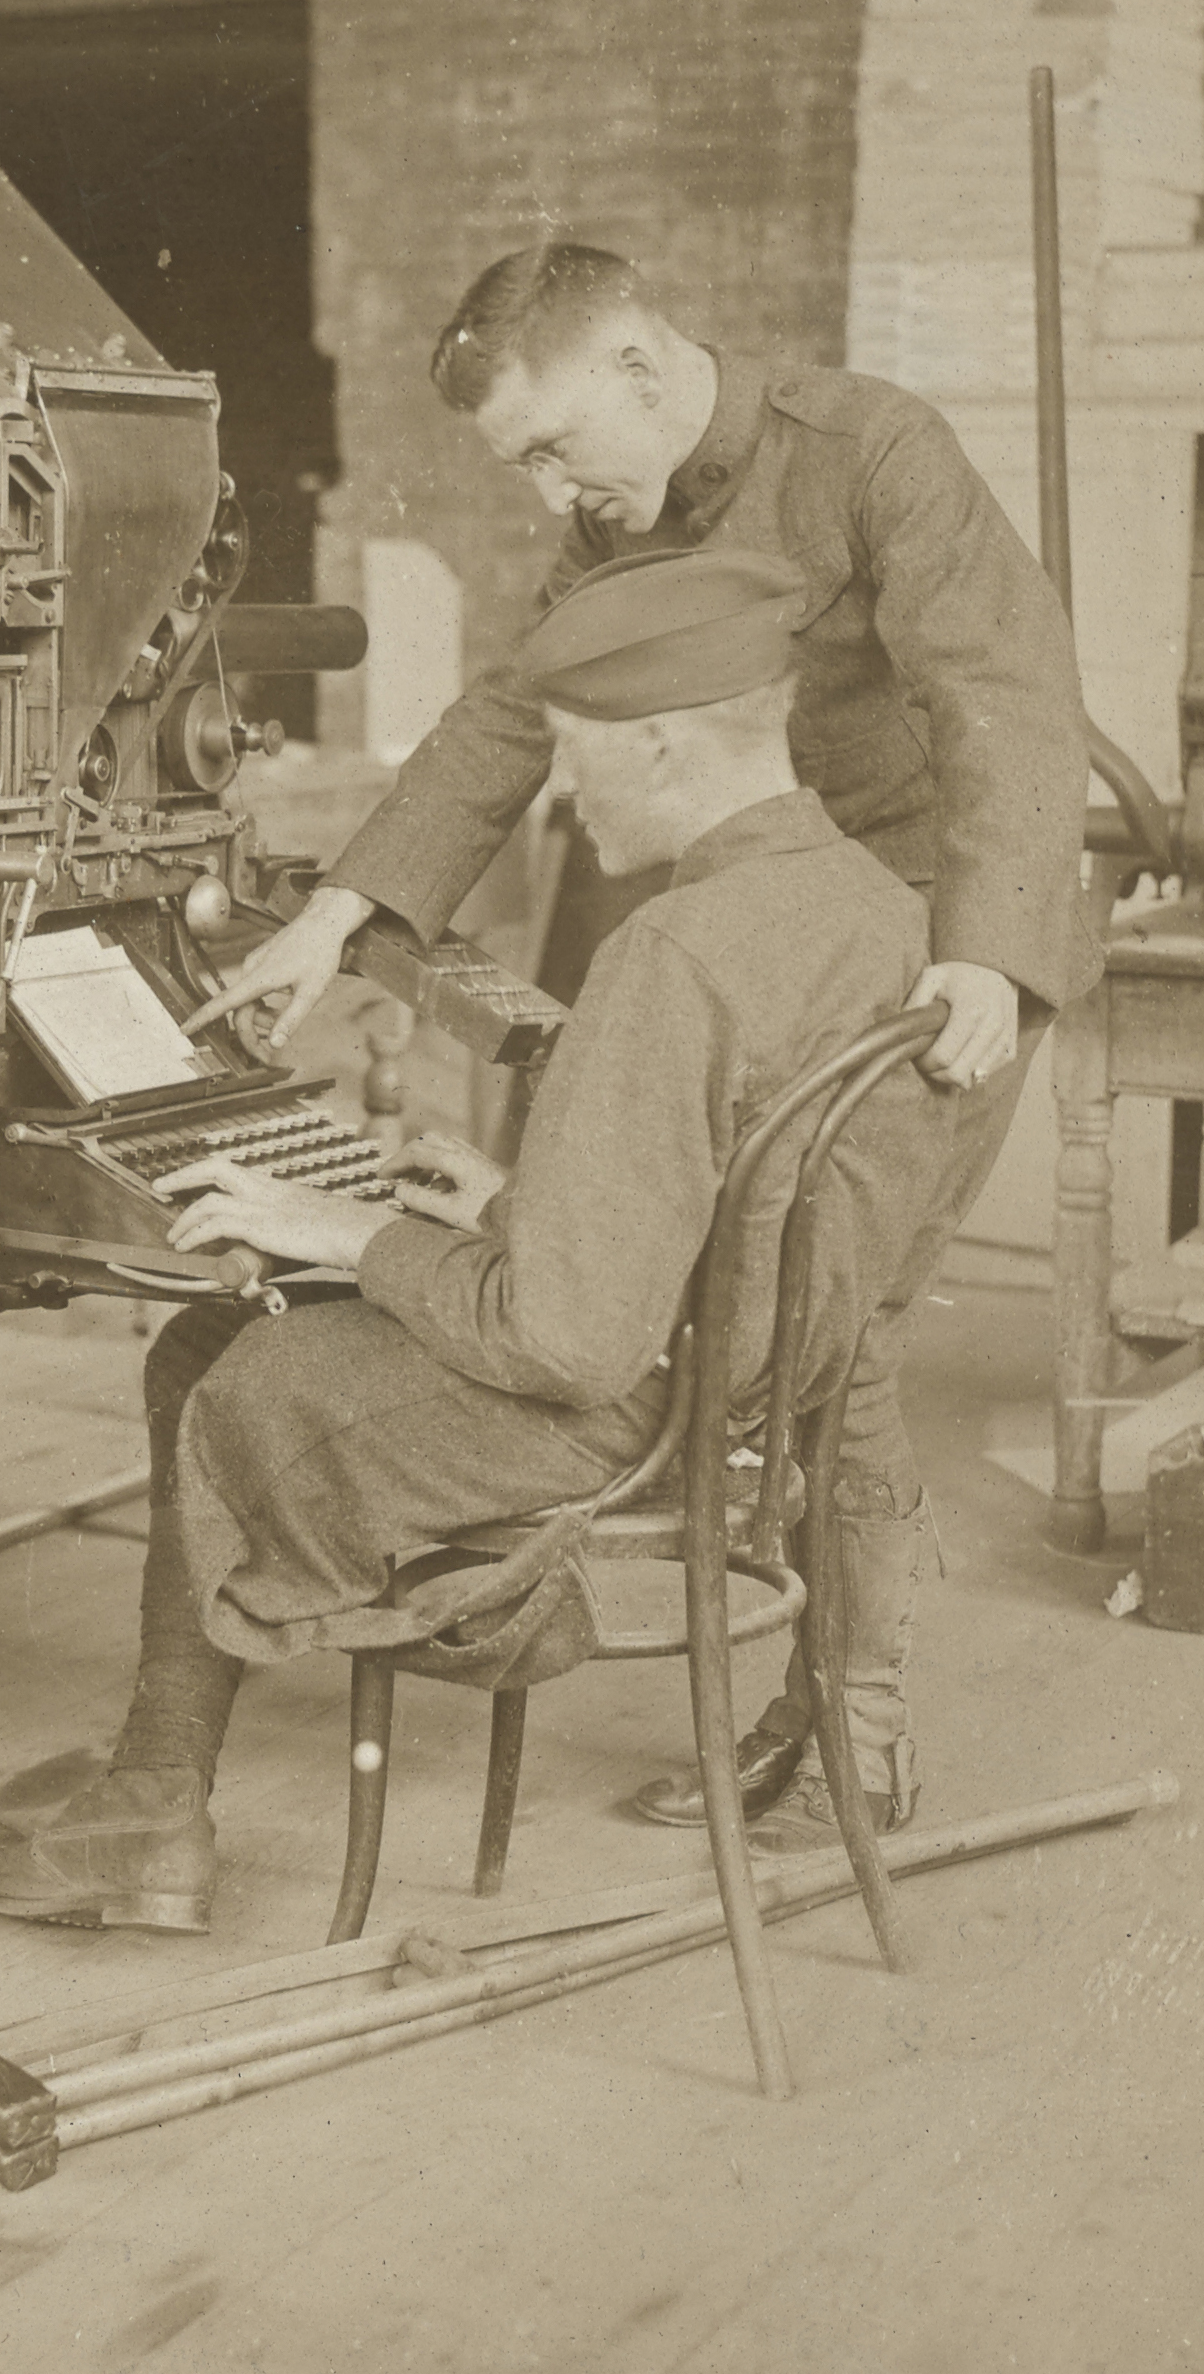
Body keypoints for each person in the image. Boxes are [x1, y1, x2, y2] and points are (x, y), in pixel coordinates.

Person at [187, 240, 1101, 1836]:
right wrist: (342, 914)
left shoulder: (868, 448)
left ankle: (846, 1719)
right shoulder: (619, 525)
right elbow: (513, 712)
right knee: (790, 1318)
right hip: (769, 906)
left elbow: (1005, 697)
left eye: (551, 444)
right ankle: (840, 1723)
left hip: (918, 935)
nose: (549, 491)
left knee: (842, 1328)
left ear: (640, 364)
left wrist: (991, 962)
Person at [0, 548, 961, 1934]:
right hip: (754, 1384)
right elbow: (744, 1206)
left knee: (224, 1361)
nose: (559, 784)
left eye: (576, 750)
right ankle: (154, 1787)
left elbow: (566, 1336)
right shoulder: (874, 905)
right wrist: (496, 1199)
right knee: (227, 1342)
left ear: (659, 740)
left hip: (624, 1413)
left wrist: (347, 1226)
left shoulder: (674, 954)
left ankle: (159, 1807)